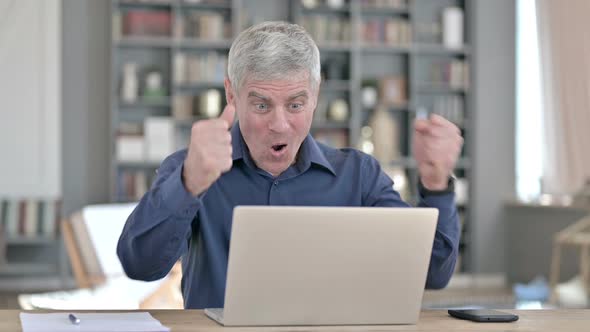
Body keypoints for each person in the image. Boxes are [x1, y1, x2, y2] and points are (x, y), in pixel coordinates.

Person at [117, 21, 463, 309]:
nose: (280, 125)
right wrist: (189, 183)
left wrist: (436, 183)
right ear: (232, 95)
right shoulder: (190, 167)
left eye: (295, 105)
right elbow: (140, 266)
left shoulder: (358, 176)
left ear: (316, 95)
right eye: (262, 106)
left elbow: (431, 273)